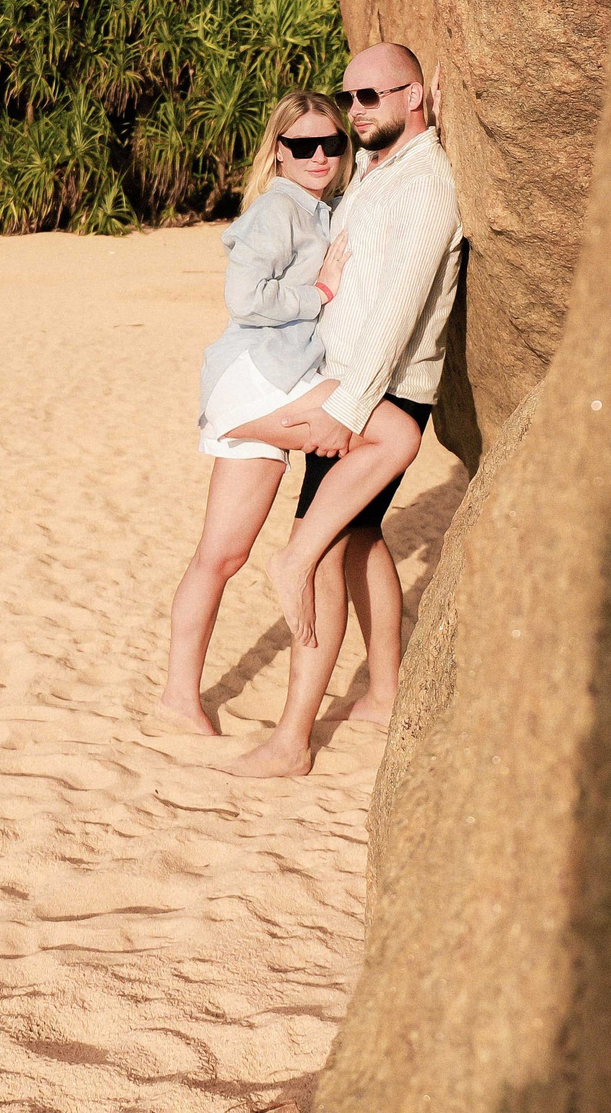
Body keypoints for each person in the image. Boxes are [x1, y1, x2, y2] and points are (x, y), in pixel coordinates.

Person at [224, 42, 461, 780]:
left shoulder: (425, 184)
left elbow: (397, 308)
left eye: (372, 97)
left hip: (378, 388)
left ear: (414, 95)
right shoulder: (376, 172)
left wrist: (352, 407)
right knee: (357, 537)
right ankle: (385, 693)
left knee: (315, 550)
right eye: (350, 96)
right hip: (352, 380)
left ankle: (293, 739)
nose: (356, 111)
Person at [157, 91, 367, 734]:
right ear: (279, 151)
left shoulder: (318, 207)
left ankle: (177, 699)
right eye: (303, 145)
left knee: (220, 557)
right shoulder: (280, 208)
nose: (320, 156)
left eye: (332, 142)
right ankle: (305, 556)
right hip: (257, 378)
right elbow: (245, 297)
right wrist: (322, 292)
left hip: (274, 378)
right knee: (379, 428)